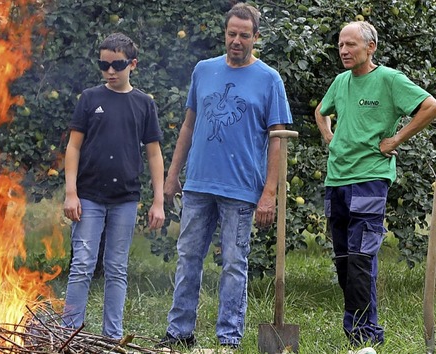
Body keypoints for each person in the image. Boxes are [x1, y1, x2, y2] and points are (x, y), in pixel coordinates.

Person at [158, 3, 292, 351]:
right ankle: (179, 332)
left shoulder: (269, 79)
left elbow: (278, 138)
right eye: (231, 33)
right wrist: (173, 176)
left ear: (255, 38)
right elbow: (189, 124)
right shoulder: (203, 70)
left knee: (234, 264)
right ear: (225, 33)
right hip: (199, 184)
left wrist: (269, 193)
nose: (236, 40)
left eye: (244, 35)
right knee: (188, 258)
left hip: (241, 189)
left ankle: (228, 339)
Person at [315, 21, 436, 347]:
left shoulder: (389, 80)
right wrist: (328, 135)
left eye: (351, 44)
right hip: (336, 180)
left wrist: (396, 137)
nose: (343, 50)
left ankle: (365, 336)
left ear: (371, 48)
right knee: (343, 262)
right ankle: (360, 330)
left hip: (370, 179)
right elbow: (320, 111)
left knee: (360, 258)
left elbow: (430, 106)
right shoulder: (340, 82)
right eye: (341, 44)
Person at [62, 32, 165, 339]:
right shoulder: (89, 99)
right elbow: (73, 147)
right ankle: (70, 334)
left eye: (116, 65)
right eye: (103, 65)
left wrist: (158, 200)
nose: (109, 71)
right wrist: (71, 192)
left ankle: (112, 337)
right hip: (89, 195)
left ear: (132, 64)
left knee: (117, 268)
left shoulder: (144, 104)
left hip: (125, 199)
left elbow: (154, 153)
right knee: (82, 264)